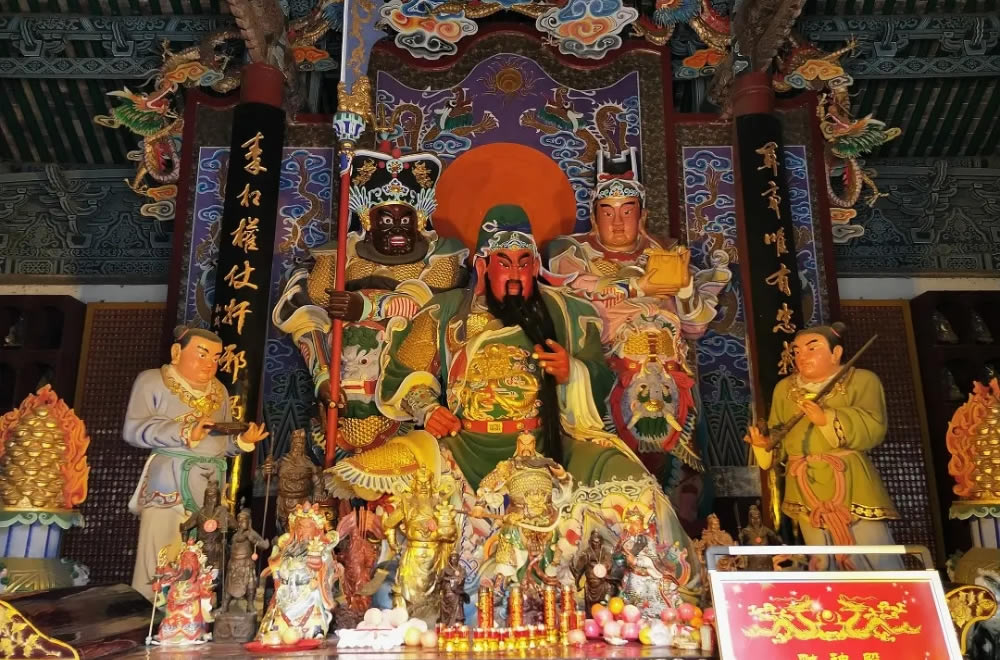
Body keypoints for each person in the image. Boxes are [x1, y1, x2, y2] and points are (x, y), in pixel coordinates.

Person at [272, 147, 468, 470]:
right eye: (386, 220)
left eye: (405, 219)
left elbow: (429, 309)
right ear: (366, 219)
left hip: (405, 389)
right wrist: (323, 377)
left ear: (420, 219)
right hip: (343, 389)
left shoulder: (441, 259)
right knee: (337, 476)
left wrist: (366, 306)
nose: (397, 229)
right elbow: (309, 320)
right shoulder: (339, 258)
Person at [547, 148, 731, 477]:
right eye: (607, 212)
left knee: (678, 470)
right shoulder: (572, 250)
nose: (617, 222)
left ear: (643, 216)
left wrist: (684, 287)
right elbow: (569, 289)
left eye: (627, 211)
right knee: (611, 464)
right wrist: (638, 287)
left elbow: (695, 327)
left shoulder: (667, 251)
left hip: (670, 370)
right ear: (594, 217)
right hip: (608, 368)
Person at [124, 325, 268, 600]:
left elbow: (220, 444)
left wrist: (243, 440)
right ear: (176, 352)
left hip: (210, 485)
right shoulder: (153, 381)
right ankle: (151, 610)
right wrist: (184, 432)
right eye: (202, 354)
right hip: (170, 480)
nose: (209, 363)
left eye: (215, 357)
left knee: (203, 553)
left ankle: (194, 609)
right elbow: (133, 430)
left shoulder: (219, 390)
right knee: (161, 551)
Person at [745, 322, 901, 570]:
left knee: (872, 550)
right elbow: (779, 434)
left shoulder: (861, 380)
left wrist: (827, 419)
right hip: (805, 482)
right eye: (797, 351)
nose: (802, 356)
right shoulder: (785, 389)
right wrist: (765, 443)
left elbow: (874, 426)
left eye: (812, 349)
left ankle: (889, 592)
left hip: (849, 477)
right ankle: (830, 593)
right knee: (820, 556)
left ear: (835, 353)